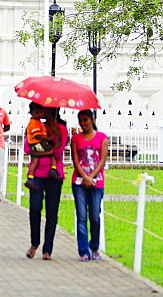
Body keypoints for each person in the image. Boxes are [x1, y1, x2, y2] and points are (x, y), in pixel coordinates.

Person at [25, 108, 69, 260]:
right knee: (35, 208)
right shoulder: (37, 126)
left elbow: (57, 152)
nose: (46, 114)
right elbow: (27, 148)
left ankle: (47, 248)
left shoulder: (61, 129)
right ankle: (34, 242)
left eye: (50, 112)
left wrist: (47, 143)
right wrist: (46, 145)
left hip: (54, 175)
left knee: (52, 212)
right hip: (37, 174)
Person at [71, 110, 108, 261]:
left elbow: (102, 160)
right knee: (81, 216)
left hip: (96, 182)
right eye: (80, 120)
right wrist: (85, 177)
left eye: (85, 120)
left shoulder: (102, 138)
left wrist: (91, 178)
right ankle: (83, 251)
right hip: (79, 182)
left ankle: (94, 247)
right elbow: (75, 160)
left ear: (92, 120)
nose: (83, 123)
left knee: (94, 216)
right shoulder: (75, 138)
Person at [25, 102, 62, 188]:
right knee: (52, 151)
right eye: (37, 113)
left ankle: (30, 178)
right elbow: (37, 135)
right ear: (31, 113)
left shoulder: (37, 122)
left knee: (35, 161)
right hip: (37, 142)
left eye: (40, 112)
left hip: (35, 143)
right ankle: (53, 168)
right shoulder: (34, 123)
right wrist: (47, 139)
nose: (39, 114)